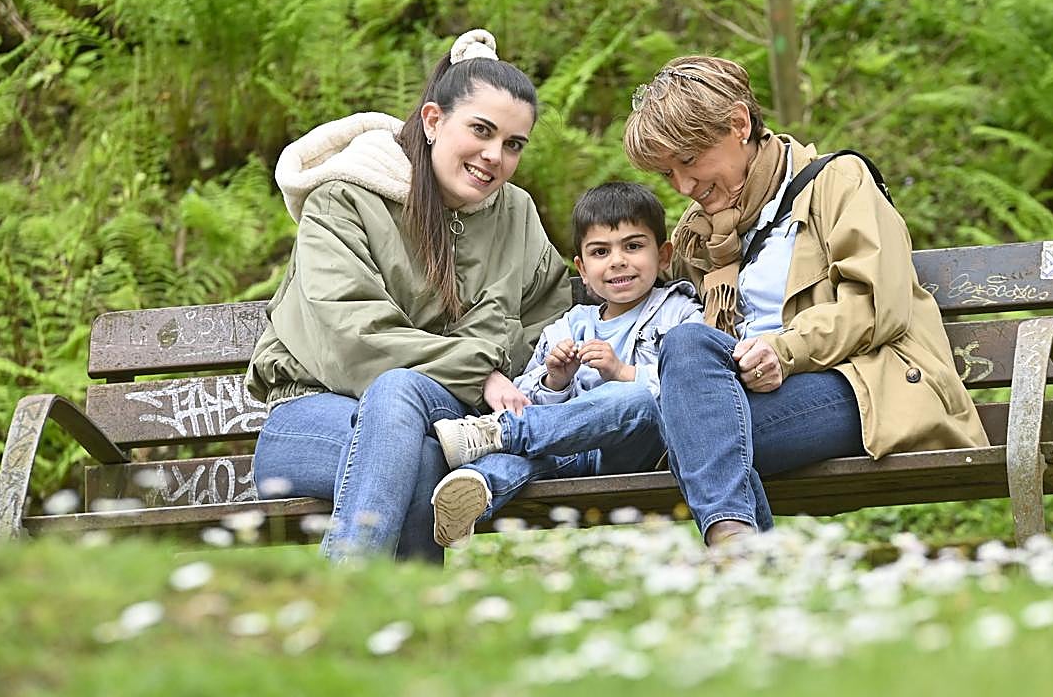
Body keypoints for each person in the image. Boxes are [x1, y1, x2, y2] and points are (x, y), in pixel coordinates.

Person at [621, 56, 989, 547]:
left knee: (692, 431)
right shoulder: (700, 233)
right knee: (688, 349)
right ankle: (741, 551)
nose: (683, 187)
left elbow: (878, 306)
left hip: (862, 383)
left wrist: (783, 350)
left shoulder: (839, 182)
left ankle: (737, 556)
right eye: (668, 173)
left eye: (689, 161)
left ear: (739, 124)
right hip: (744, 395)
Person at [245, 29, 573, 562]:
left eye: (513, 144)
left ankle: (371, 625)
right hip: (309, 418)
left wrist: (505, 365)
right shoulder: (344, 200)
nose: (495, 156)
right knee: (415, 443)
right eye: (481, 131)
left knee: (421, 451)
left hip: (448, 424)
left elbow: (548, 325)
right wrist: (477, 369)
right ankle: (383, 614)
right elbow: (354, 338)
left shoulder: (516, 215)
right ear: (433, 120)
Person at [429, 181, 704, 547]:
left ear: (664, 255)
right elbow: (528, 396)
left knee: (633, 399)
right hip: (570, 451)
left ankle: (500, 433)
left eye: (634, 246)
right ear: (583, 269)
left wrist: (623, 373)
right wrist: (555, 381)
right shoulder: (570, 324)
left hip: (642, 450)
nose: (618, 260)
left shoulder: (680, 312)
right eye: (600, 252)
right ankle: (471, 494)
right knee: (530, 460)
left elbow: (695, 386)